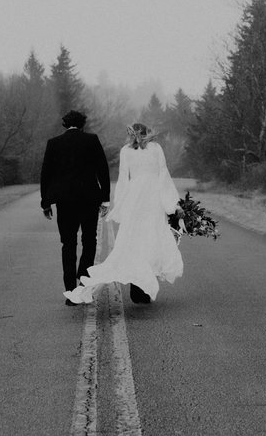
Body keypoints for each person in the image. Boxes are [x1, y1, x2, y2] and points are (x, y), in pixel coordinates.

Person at [64, 123, 183, 305]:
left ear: (131, 135)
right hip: (152, 198)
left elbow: (123, 180)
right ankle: (140, 289)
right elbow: (163, 175)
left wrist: (120, 205)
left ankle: (140, 288)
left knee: (133, 242)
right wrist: (172, 204)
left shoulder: (126, 150)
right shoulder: (155, 148)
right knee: (149, 241)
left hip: (135, 199)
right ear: (146, 133)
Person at [40, 110, 111, 305]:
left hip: (65, 201)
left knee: (68, 243)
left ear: (65, 124)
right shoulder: (91, 140)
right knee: (90, 240)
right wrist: (105, 198)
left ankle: (69, 289)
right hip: (89, 199)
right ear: (82, 125)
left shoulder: (54, 143)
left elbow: (46, 174)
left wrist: (45, 202)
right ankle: (83, 281)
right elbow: (102, 169)